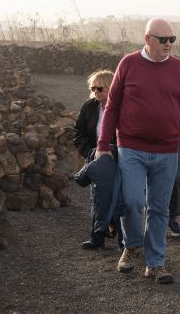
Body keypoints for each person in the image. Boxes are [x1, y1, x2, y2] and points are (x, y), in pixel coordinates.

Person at [96, 17, 180, 284]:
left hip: (168, 150)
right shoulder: (129, 63)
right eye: (163, 40)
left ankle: (155, 263)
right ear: (148, 39)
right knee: (133, 202)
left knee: (159, 209)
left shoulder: (179, 68)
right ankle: (132, 246)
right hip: (131, 147)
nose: (169, 44)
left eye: (172, 39)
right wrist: (102, 144)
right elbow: (112, 107)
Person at [72, 70, 122, 250]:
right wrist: (90, 152)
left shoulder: (124, 107)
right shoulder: (89, 107)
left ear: (112, 88)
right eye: (93, 88)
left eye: (100, 88)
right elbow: (78, 133)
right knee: (97, 198)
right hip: (97, 158)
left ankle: (123, 242)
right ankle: (96, 237)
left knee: (120, 198)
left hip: (119, 160)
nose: (96, 92)